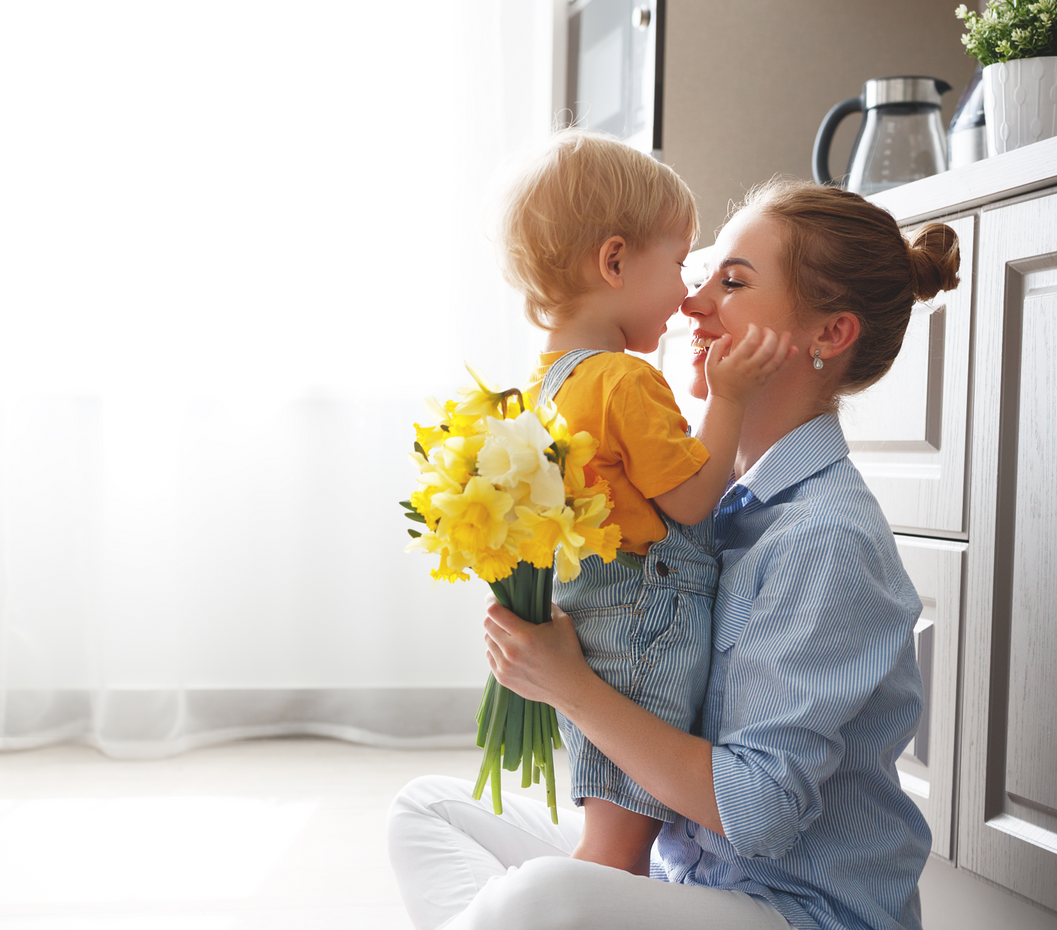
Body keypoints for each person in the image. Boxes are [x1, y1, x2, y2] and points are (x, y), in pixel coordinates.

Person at [387, 176, 961, 930]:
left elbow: (756, 813)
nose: (693, 303)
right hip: (687, 878)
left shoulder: (825, 537)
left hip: (792, 909)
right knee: (424, 811)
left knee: (537, 900)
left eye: (734, 282)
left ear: (828, 335)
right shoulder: (713, 503)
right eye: (701, 276)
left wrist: (571, 685)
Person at [496, 129, 793, 875]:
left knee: (607, 823)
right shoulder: (623, 379)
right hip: (647, 622)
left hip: (595, 615)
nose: (689, 293)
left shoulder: (546, 385)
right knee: (618, 852)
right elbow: (692, 503)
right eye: (681, 264)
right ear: (616, 260)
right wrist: (728, 400)